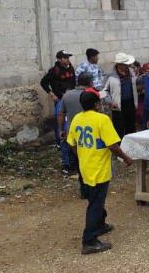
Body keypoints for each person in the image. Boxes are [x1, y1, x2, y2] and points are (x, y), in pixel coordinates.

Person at [67, 91, 132, 255]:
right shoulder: (102, 119)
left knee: (95, 198)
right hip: (99, 168)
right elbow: (112, 145)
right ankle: (89, 240)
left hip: (85, 167)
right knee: (95, 203)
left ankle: (100, 224)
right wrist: (126, 158)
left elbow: (72, 143)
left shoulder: (76, 119)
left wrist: (82, 155)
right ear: (97, 104)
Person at [58, 72, 93, 175]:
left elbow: (61, 114)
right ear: (90, 82)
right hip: (88, 131)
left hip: (71, 129)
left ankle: (69, 167)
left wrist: (61, 129)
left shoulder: (67, 95)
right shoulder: (90, 95)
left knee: (71, 148)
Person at [40, 50, 76, 147]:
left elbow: (74, 82)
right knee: (60, 121)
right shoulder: (54, 71)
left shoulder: (71, 68)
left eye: (68, 57)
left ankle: (71, 141)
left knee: (72, 120)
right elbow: (43, 82)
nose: (68, 59)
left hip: (70, 99)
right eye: (65, 58)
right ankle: (60, 142)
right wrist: (51, 94)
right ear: (59, 59)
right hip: (60, 100)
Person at [101, 52, 138, 138]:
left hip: (131, 104)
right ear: (119, 64)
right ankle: (120, 149)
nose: (127, 66)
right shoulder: (110, 75)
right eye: (125, 64)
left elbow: (134, 85)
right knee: (119, 129)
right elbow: (104, 91)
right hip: (117, 106)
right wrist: (111, 102)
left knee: (131, 128)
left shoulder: (131, 72)